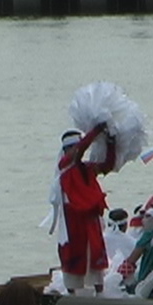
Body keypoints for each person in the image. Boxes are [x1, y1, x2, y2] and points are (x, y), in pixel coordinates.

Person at [56, 123, 115, 295]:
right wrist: (96, 130)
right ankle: (72, 294)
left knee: (95, 253)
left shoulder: (86, 168)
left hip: (89, 217)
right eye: (73, 147)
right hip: (72, 217)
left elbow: (107, 166)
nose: (76, 150)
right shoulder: (64, 165)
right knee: (73, 255)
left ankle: (99, 294)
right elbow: (80, 150)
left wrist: (111, 142)